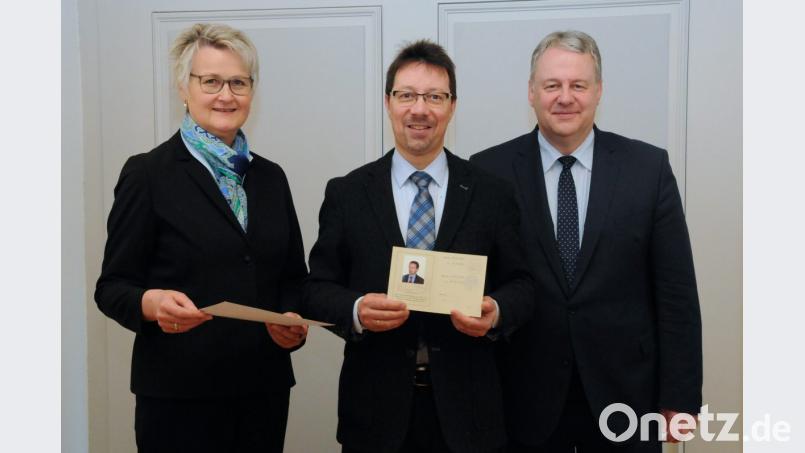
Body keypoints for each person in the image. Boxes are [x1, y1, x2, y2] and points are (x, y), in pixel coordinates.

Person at [470, 30, 702, 452]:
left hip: (627, 396)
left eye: (578, 85)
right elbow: (477, 282)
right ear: (531, 92)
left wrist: (680, 398)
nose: (565, 97)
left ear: (598, 91)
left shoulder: (648, 169)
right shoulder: (488, 172)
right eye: (552, 85)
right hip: (520, 396)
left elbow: (676, 292)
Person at [303, 40, 534, 453]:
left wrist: (496, 311)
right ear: (389, 102)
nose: (420, 109)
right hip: (374, 413)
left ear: (452, 106)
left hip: (470, 415)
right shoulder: (348, 192)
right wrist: (356, 310)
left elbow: (522, 284)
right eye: (407, 95)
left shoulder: (491, 194)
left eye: (434, 96)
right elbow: (317, 287)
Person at [94, 23, 308, 453]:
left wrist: (292, 321)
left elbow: (293, 277)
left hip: (261, 394)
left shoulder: (270, 177)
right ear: (183, 88)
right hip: (178, 398)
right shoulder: (148, 173)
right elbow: (112, 287)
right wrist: (151, 305)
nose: (225, 95)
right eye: (210, 81)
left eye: (238, 83)